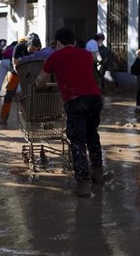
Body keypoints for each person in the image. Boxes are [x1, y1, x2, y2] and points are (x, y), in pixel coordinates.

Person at [35, 27, 103, 198]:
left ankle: (83, 185)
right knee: (92, 135)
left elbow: (40, 81)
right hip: (95, 99)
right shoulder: (86, 54)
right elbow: (84, 73)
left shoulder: (54, 57)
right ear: (73, 42)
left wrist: (45, 85)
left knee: (77, 141)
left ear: (58, 42)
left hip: (75, 101)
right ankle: (98, 173)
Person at [0, 34, 40, 125]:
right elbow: (15, 63)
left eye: (35, 50)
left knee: (32, 94)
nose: (33, 51)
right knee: (9, 94)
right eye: (32, 49)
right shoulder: (19, 47)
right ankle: (3, 117)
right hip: (15, 71)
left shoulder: (38, 49)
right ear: (27, 44)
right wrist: (21, 77)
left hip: (29, 73)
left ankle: (32, 118)